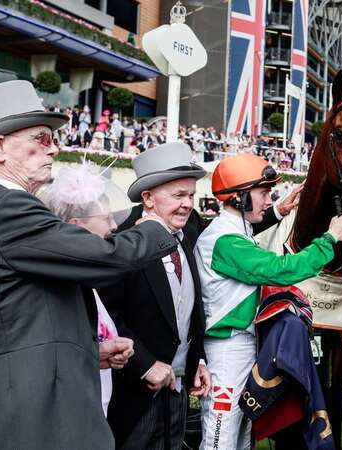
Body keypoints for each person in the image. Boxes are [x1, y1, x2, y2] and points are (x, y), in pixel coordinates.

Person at [0, 80, 178, 450]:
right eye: (42, 139)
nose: (54, 148)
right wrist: (158, 224)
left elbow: (13, 321)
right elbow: (105, 259)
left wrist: (85, 350)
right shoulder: (6, 207)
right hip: (29, 415)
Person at [195, 153, 342, 450]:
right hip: (228, 351)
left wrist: (279, 210)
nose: (269, 199)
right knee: (221, 438)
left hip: (240, 345)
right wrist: (329, 239)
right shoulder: (225, 241)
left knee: (241, 438)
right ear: (240, 198)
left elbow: (249, 234)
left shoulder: (232, 232)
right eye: (264, 193)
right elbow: (280, 270)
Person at [98, 143, 211, 450]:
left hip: (176, 394)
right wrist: (146, 365)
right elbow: (108, 317)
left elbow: (189, 309)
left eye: (191, 195)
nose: (188, 204)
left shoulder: (187, 236)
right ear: (147, 197)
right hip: (134, 399)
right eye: (178, 196)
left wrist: (195, 360)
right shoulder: (123, 246)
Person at [38, 165, 136, 416]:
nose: (114, 226)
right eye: (106, 218)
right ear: (75, 226)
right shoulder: (56, 286)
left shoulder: (86, 283)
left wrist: (101, 354)